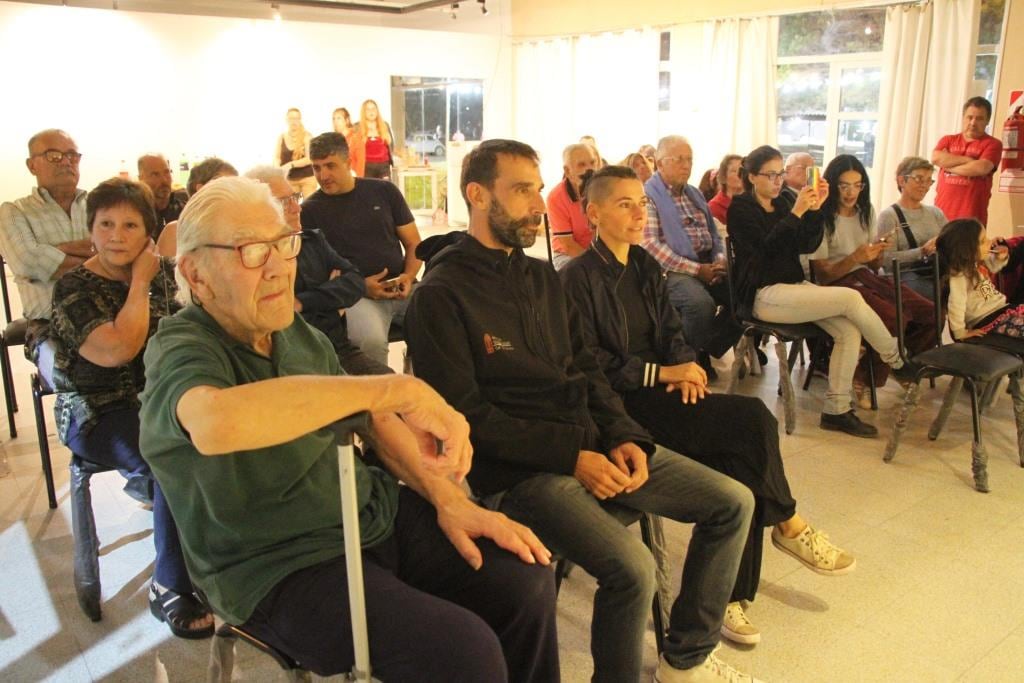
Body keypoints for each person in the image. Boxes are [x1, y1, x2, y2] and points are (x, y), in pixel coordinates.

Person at [139, 176, 560, 682]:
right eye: (251, 251)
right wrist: (396, 389)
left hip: (365, 514)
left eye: (282, 244)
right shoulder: (183, 347)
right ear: (197, 274)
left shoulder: (295, 333)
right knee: (462, 652)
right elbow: (214, 422)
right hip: (276, 563)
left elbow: (373, 421)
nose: (278, 268)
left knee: (525, 580)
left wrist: (450, 500)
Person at [406, 139, 758, 683]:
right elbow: (466, 417)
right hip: (520, 473)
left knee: (733, 503)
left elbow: (587, 370)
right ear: (477, 195)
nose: (538, 204)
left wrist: (623, 435)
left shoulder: (541, 277)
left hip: (589, 444)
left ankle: (684, 658)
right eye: (521, 190)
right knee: (634, 570)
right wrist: (573, 456)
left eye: (535, 187)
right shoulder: (441, 295)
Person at [562, 164, 855, 645]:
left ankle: (729, 598)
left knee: (741, 455)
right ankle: (786, 524)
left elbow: (672, 333)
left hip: (663, 393)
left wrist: (687, 369)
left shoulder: (643, 266)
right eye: (625, 204)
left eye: (643, 204)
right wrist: (663, 373)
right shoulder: (576, 278)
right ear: (594, 213)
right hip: (619, 410)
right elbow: (588, 366)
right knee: (752, 421)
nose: (639, 214)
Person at [49, 177, 212, 637]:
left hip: (161, 399)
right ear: (91, 229)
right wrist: (140, 279)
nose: (116, 235)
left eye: (129, 225)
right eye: (105, 224)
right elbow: (117, 349)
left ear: (148, 232)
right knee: (169, 458)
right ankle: (170, 585)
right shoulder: (75, 287)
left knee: (230, 434)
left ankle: (229, 558)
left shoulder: (169, 275)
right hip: (97, 411)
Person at [728, 145, 919, 438]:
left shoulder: (782, 204)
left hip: (794, 288)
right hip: (762, 294)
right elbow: (764, 252)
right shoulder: (741, 209)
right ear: (752, 177)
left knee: (848, 331)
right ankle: (897, 360)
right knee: (851, 297)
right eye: (771, 175)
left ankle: (836, 410)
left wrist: (815, 211)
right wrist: (797, 212)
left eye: (781, 174)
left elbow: (804, 245)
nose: (778, 181)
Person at [808, 155, 937, 409]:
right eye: (844, 185)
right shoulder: (820, 217)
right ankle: (868, 378)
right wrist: (856, 257)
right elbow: (823, 275)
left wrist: (877, 253)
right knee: (893, 317)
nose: (851, 192)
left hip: (866, 277)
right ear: (832, 185)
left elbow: (874, 266)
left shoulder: (865, 212)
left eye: (857, 185)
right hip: (837, 285)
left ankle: (900, 364)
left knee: (931, 313)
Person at [245, 164, 390, 376]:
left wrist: (303, 302)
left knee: (405, 395)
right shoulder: (255, 261)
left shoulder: (312, 241)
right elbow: (281, 324)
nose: (297, 208)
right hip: (296, 363)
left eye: (295, 197)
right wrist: (332, 300)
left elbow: (355, 281)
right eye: (285, 202)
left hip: (339, 351)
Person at [301, 132, 421, 366]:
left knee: (445, 318)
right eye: (316, 168)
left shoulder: (384, 192)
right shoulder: (310, 211)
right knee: (370, 341)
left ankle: (420, 383)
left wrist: (409, 276)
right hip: (357, 296)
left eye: (330, 166)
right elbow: (314, 274)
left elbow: (414, 243)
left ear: (348, 163)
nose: (322, 175)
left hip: (403, 286)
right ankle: (379, 399)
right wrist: (359, 286)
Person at [644, 135, 738, 377]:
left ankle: (705, 345)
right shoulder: (648, 196)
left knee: (746, 293)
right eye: (679, 160)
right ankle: (684, 361)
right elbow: (652, 246)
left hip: (706, 262)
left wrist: (719, 260)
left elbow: (714, 233)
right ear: (659, 163)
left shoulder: (694, 194)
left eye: (690, 159)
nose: (687, 165)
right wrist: (697, 270)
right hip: (670, 270)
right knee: (700, 305)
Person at [0, 128, 91, 377]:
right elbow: (27, 262)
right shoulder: (13, 212)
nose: (66, 161)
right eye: (54, 155)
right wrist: (95, 256)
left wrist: (49, 251)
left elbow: (122, 254)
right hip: (48, 325)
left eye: (72, 155)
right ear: (32, 165)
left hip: (105, 315)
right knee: (71, 374)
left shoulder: (98, 205)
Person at [876, 156, 947, 300]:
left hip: (938, 271)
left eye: (928, 181)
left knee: (973, 283)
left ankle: (996, 308)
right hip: (908, 277)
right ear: (902, 180)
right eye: (919, 179)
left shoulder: (936, 213)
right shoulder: (889, 216)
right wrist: (921, 251)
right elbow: (885, 259)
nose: (925, 185)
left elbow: (953, 240)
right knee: (950, 294)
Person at [936, 218, 1017, 341]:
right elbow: (956, 305)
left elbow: (993, 267)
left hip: (1003, 311)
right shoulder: (959, 277)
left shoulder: (973, 264)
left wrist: (1000, 258)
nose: (989, 242)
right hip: (988, 320)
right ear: (967, 249)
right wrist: (960, 333)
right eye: (983, 241)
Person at [932, 96, 1003, 226]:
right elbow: (936, 158)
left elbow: (981, 168)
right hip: (941, 216)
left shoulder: (993, 144)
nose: (973, 123)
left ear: (987, 121)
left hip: (972, 221)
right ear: (963, 117)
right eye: (969, 117)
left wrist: (948, 165)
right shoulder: (947, 140)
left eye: (979, 118)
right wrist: (968, 160)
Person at [156, 157, 238, 257]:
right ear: (202, 190)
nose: (235, 193)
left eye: (236, 187)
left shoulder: (236, 232)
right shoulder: (175, 233)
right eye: (227, 187)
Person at [547, 143, 600, 270]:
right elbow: (568, 245)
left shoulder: (603, 190)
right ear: (567, 171)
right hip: (567, 255)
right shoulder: (556, 197)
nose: (590, 169)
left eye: (592, 163)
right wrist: (597, 265)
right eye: (581, 165)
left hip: (600, 252)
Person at [137, 153, 188, 237]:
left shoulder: (184, 211)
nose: (164, 180)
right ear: (141, 179)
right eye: (155, 174)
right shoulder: (136, 214)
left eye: (167, 172)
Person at [274, 107, 318, 197]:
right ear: (286, 120)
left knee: (309, 207)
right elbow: (277, 157)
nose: (294, 122)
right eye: (291, 119)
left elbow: (309, 159)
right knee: (291, 208)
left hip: (307, 178)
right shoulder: (281, 137)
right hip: (290, 179)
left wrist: (291, 164)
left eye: (296, 118)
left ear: (300, 120)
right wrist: (277, 168)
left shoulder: (307, 136)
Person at [352, 99, 395, 180]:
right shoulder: (357, 127)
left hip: (383, 166)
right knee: (368, 190)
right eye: (368, 109)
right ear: (363, 112)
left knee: (384, 190)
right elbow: (353, 150)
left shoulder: (385, 125)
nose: (371, 111)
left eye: (373, 109)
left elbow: (391, 145)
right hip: (366, 167)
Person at [707, 154, 743, 226]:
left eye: (743, 170)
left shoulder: (752, 202)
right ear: (724, 176)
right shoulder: (713, 207)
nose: (740, 174)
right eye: (734, 171)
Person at [332, 106, 363, 177]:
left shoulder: (355, 137)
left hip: (353, 177)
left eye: (339, 118)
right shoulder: (334, 139)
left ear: (347, 120)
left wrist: (360, 180)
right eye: (334, 119)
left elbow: (361, 162)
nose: (335, 121)